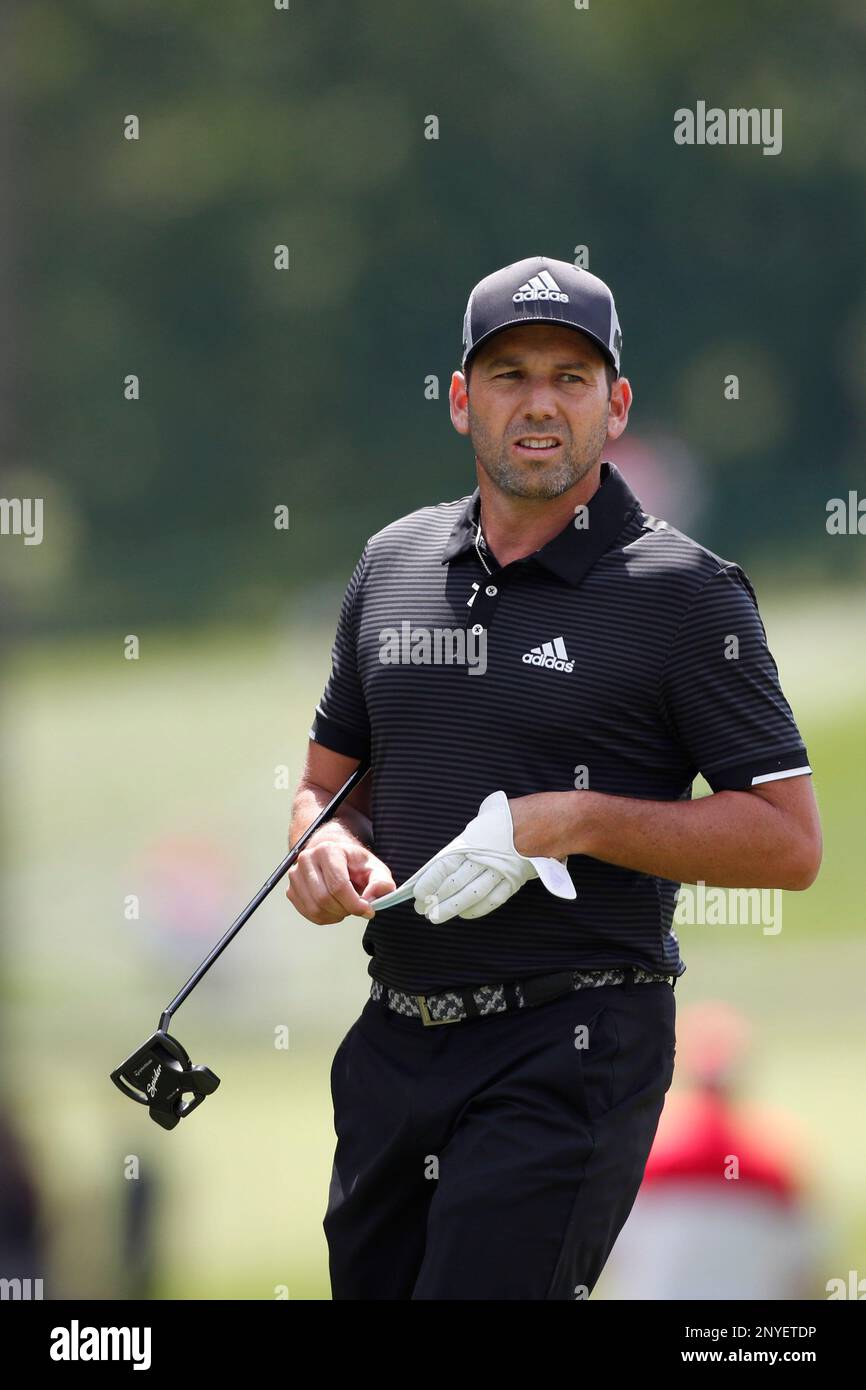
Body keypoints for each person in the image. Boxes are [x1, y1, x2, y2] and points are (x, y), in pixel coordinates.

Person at [286, 254, 822, 1300]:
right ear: (459, 400)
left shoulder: (682, 594)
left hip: (568, 1042)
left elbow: (786, 841)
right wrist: (319, 845)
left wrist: (566, 820)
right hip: (392, 1040)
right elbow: (325, 780)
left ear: (613, 405)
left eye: (569, 378)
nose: (539, 404)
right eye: (509, 374)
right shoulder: (390, 562)